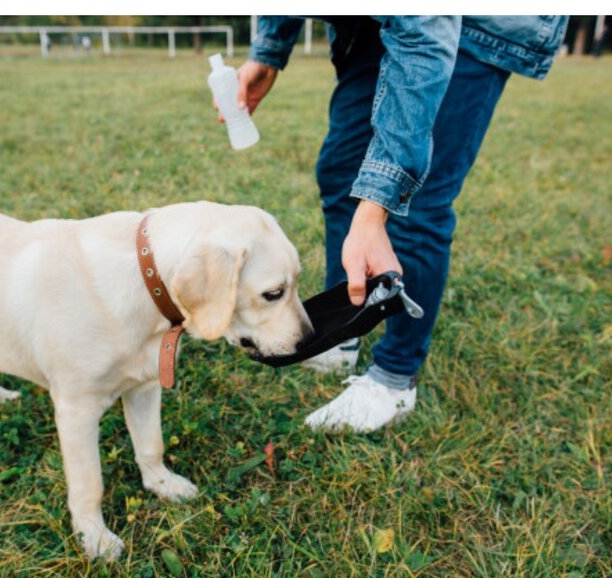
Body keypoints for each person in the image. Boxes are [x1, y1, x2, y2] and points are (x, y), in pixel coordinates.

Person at [218, 16, 568, 432]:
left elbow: (426, 39)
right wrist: (268, 53)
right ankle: (343, 331)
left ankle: (394, 380)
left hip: (469, 27)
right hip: (370, 27)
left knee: (415, 199)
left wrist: (375, 208)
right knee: (340, 172)